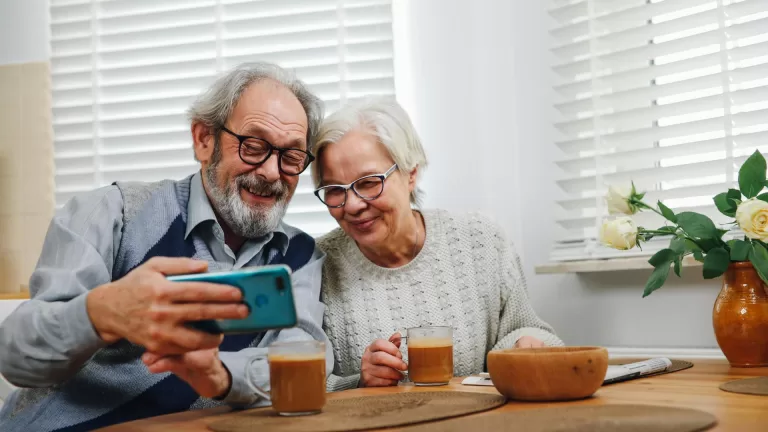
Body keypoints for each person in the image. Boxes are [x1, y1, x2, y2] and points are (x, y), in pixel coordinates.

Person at [0, 62, 331, 431]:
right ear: (204, 140)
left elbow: (305, 361)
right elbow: (15, 356)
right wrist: (101, 314)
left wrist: (219, 376)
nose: (272, 172)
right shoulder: (112, 214)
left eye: (291, 157)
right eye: (253, 146)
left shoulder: (300, 257)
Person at [313, 98, 563, 390]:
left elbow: (528, 328)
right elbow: (299, 383)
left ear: (411, 173)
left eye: (369, 182)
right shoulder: (315, 265)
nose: (352, 205)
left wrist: (525, 344)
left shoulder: (481, 240)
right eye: (334, 190)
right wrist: (359, 381)